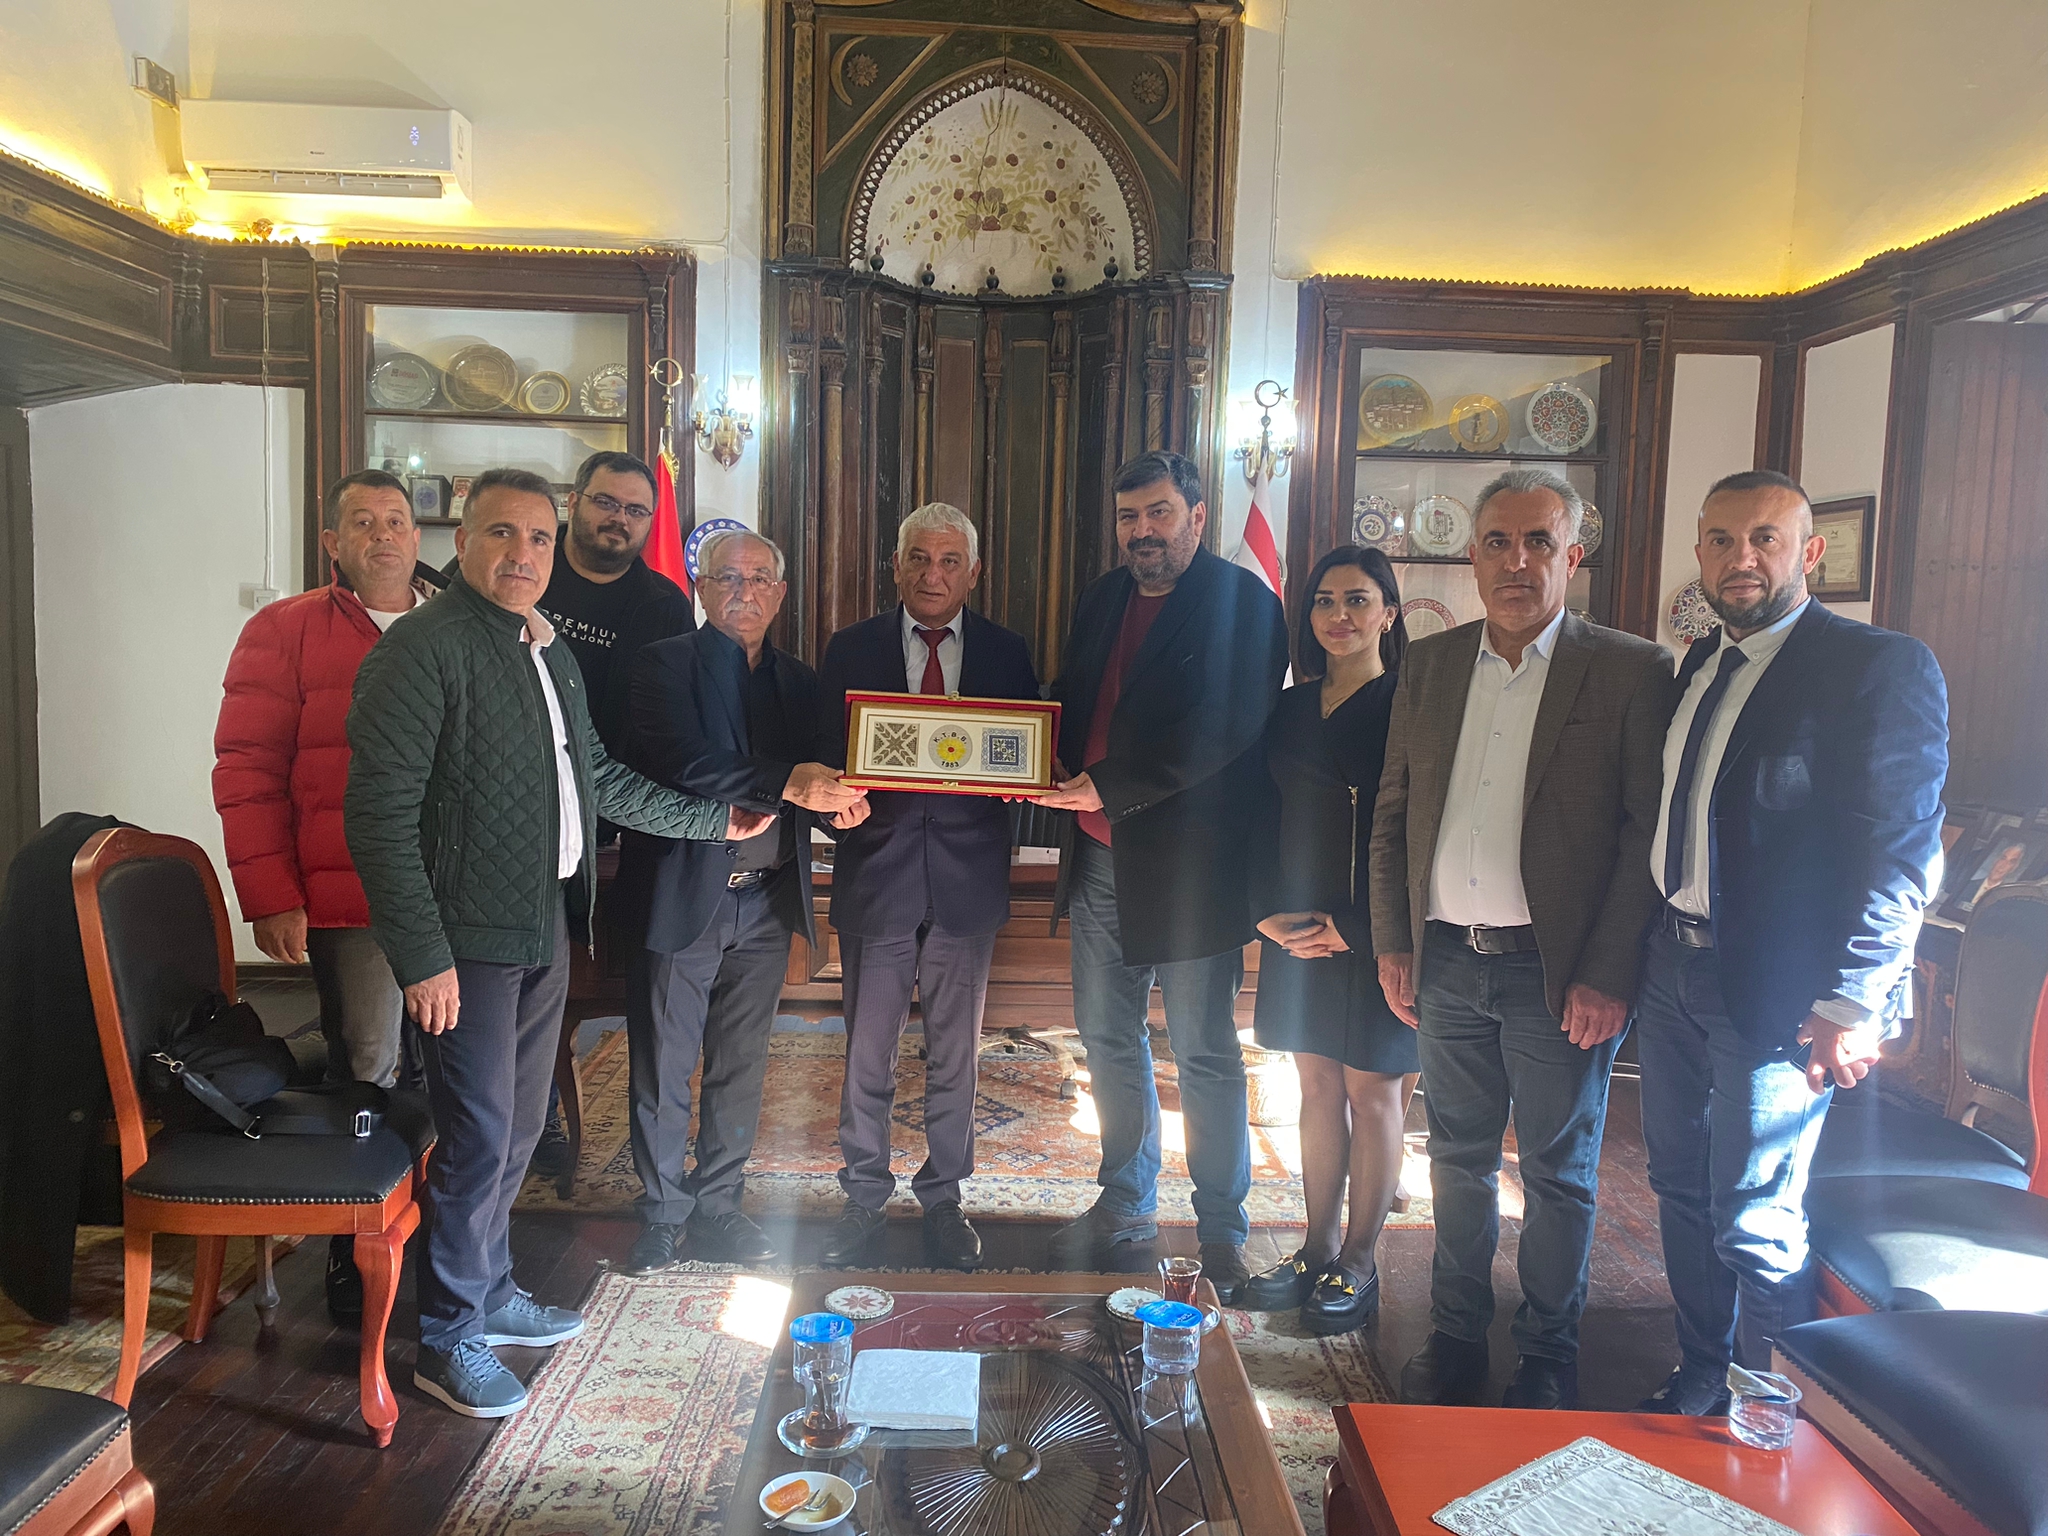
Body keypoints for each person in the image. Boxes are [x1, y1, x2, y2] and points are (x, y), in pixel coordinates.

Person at [345, 468, 757, 1419]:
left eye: (537, 537)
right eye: (501, 534)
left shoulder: (545, 646)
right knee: (479, 1133)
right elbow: (377, 820)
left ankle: (491, 1290)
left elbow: (598, 778)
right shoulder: (421, 650)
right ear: (462, 542)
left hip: (543, 926)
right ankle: (447, 1336)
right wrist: (423, 956)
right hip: (467, 945)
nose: (522, 554)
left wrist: (713, 823)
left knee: (521, 1129)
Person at [1635, 469, 1947, 1413]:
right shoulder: (1699, 662)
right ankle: (1701, 1373)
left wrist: (1855, 998)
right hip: (1670, 965)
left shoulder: (1876, 666)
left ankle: (1773, 1413)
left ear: (1808, 552)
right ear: (1700, 551)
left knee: (1756, 1215)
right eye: (1722, 539)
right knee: (1678, 1186)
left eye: (1765, 538)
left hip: (1781, 990)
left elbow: (1900, 851)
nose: (1742, 558)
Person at [1370, 467, 1679, 1410]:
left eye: (1538, 541)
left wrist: (1607, 972)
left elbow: (1645, 834)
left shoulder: (1629, 669)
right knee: (1455, 1161)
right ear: (1472, 556)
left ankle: (1548, 1351)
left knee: (1557, 1172)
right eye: (1498, 543)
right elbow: (1393, 812)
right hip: (1444, 961)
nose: (1516, 562)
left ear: (1572, 556)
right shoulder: (1430, 663)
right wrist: (1394, 941)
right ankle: (1457, 1332)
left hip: (1558, 975)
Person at [1038, 451, 1289, 1298]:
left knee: (1203, 1050)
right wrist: (1034, 752)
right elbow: (1073, 698)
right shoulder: (1102, 599)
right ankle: (1125, 1202)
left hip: (1191, 873)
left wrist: (1108, 784)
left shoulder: (1244, 602)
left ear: (1197, 515)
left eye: (1158, 513)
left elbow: (1225, 727)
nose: (1142, 531)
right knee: (1108, 1040)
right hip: (1099, 857)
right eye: (1128, 517)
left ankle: (1222, 1230)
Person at [213, 467, 444, 1323]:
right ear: (333, 542)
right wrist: (271, 893)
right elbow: (247, 768)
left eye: (397, 520)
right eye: (364, 521)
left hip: (454, 896)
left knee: (453, 1073)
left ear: (418, 536)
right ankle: (355, 1253)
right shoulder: (285, 630)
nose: (384, 535)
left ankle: (442, 1243)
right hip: (351, 900)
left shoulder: (456, 623)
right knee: (368, 1067)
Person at [612, 528, 868, 1276]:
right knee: (664, 1065)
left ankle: (720, 1205)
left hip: (766, 901)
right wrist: (793, 782)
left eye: (759, 579)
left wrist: (841, 807)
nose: (743, 591)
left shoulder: (801, 681)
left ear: (780, 594)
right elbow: (683, 763)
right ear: (700, 586)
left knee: (740, 1066)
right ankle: (663, 1215)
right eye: (727, 577)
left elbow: (819, 776)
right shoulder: (660, 666)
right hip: (681, 897)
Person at [814, 503, 1040, 1271]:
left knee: (956, 1055)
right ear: (897, 566)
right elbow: (823, 751)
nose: (932, 574)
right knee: (867, 1053)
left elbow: (1025, 754)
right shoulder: (851, 648)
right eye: (918, 558)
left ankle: (944, 1198)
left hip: (967, 884)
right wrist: (833, 798)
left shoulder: (1007, 652)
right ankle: (862, 1197)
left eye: (948, 561)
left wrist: (1022, 779)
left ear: (973, 572)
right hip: (876, 877)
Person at [1240, 546, 1416, 1335]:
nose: (1338, 615)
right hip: (1297, 925)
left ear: (1389, 612)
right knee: (1314, 1089)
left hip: (1377, 932)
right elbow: (1258, 816)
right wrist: (1263, 912)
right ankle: (1314, 1249)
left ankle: (1359, 1261)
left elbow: (1422, 829)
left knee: (1372, 1093)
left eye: (1357, 599)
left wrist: (1364, 927)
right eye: (1323, 601)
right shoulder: (1287, 709)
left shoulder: (1411, 703)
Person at [525, 449, 696, 1182]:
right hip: (517, 811)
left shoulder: (663, 604)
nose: (618, 520)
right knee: (525, 982)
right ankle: (531, 1122)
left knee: (582, 979)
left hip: (611, 815)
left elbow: (658, 721)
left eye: (635, 511)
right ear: (574, 501)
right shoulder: (531, 569)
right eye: (605, 502)